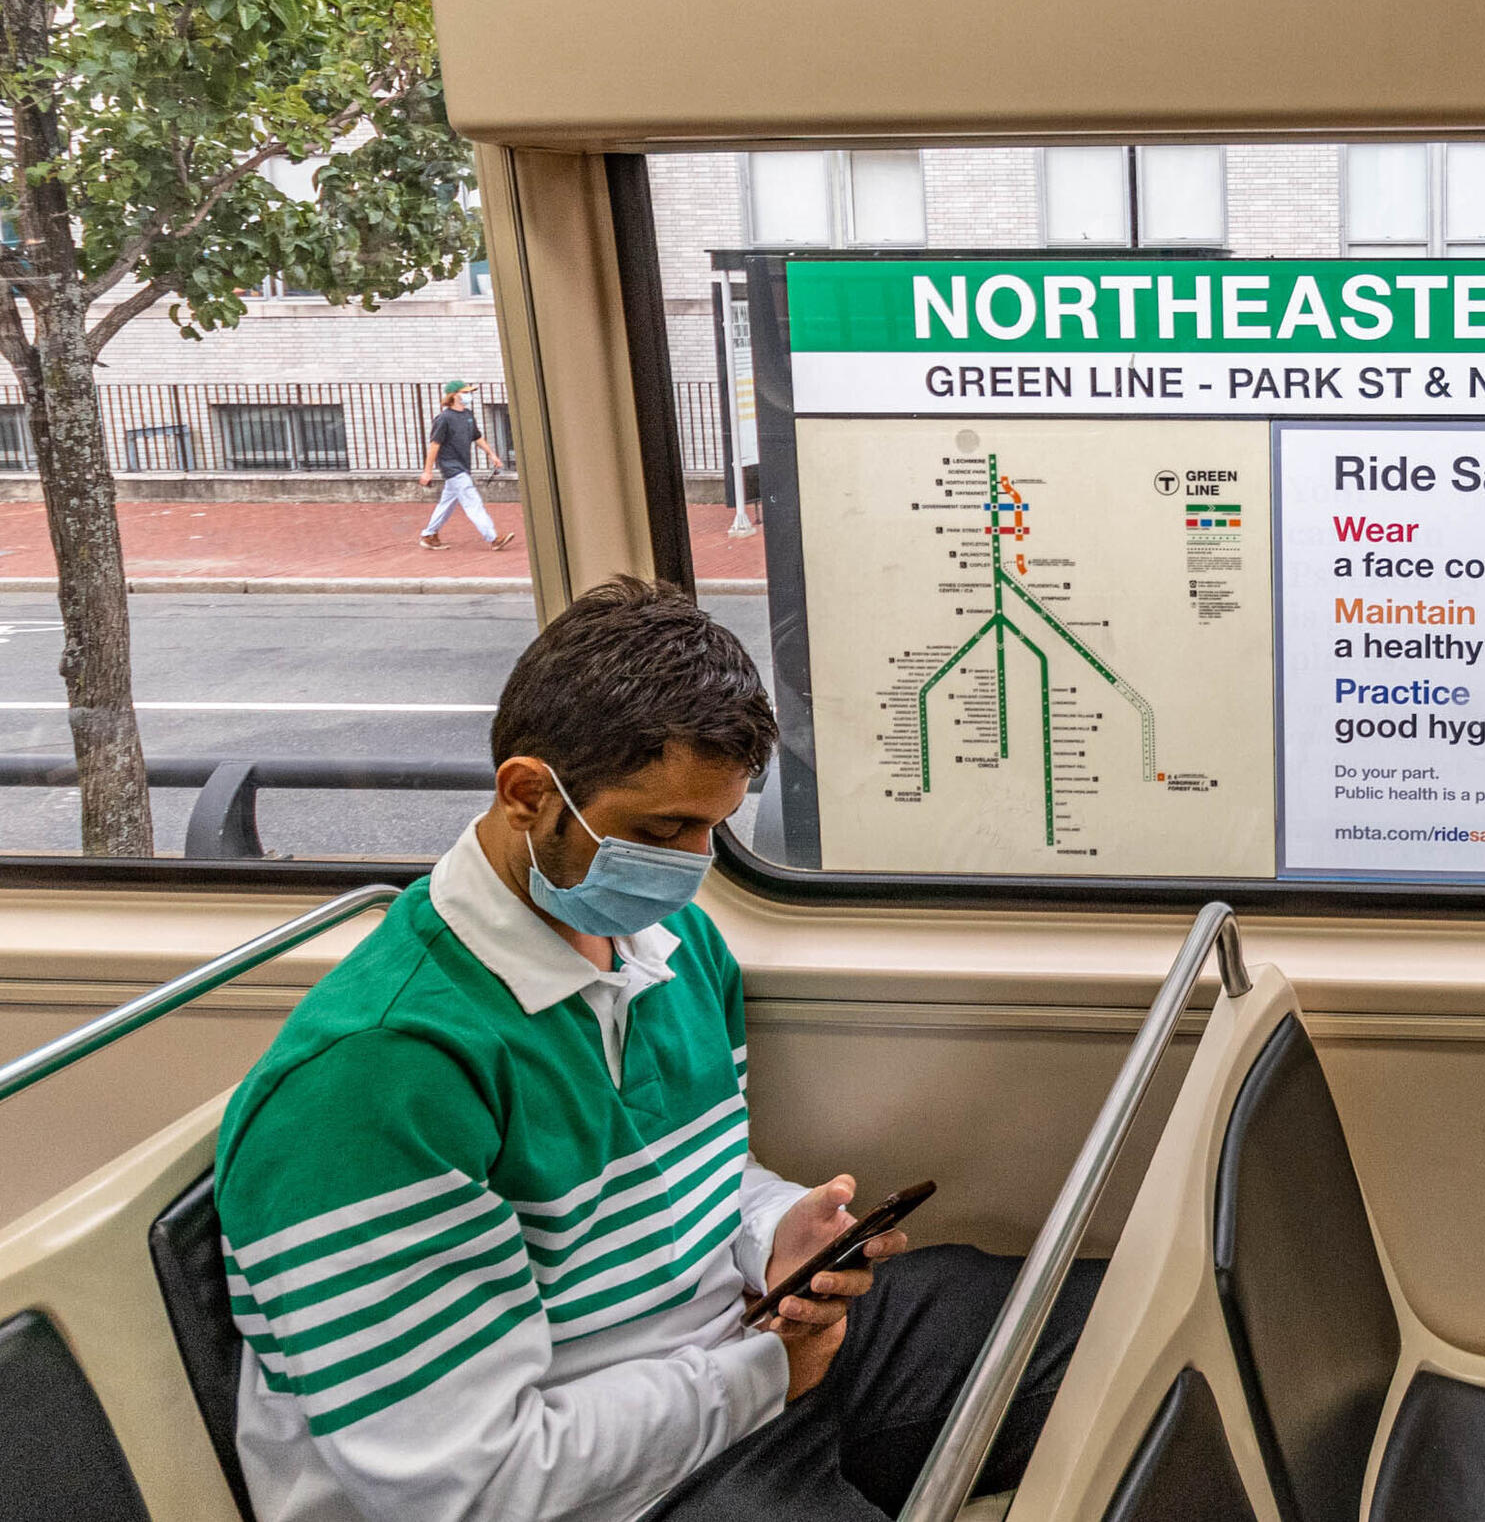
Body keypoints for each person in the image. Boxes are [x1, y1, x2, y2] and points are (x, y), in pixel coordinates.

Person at [215, 579, 1100, 1521]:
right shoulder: (375, 1080)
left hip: (737, 1363)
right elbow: (465, 1483)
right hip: (604, 1485)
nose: (692, 866)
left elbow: (699, 1185)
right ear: (527, 795)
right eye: (661, 830)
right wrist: (766, 1372)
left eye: (715, 829)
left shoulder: (670, 946)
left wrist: (775, 1233)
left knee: (1106, 1328)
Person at [419, 379, 517, 552]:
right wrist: (427, 472)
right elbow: (435, 445)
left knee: (447, 503)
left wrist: (492, 454)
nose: (468, 395)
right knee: (473, 502)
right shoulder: (443, 419)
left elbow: (477, 437)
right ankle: (493, 538)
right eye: (465, 392)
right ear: (454, 395)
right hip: (452, 467)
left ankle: (429, 534)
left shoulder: (468, 415)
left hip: (463, 466)